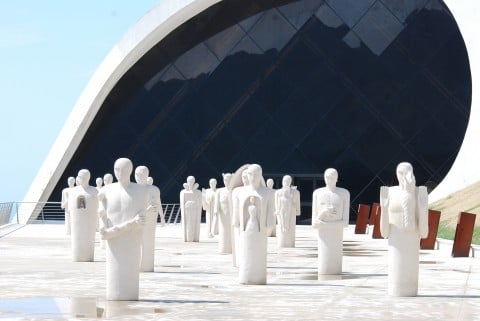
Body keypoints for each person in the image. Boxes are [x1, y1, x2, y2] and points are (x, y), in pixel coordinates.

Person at [98, 158, 148, 300]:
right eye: (117, 170)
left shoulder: (140, 191)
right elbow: (102, 217)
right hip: (114, 242)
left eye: (124, 170)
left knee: (129, 273)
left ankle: (128, 294)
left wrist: (131, 226)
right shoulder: (106, 190)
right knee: (114, 274)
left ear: (131, 171)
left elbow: (142, 220)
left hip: (131, 241)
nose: (120, 173)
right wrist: (104, 229)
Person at [380, 162, 428, 296]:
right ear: (396, 174)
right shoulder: (390, 192)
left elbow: (424, 233)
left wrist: (423, 208)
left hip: (411, 242)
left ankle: (409, 288)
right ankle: (397, 289)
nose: (403, 176)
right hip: (395, 241)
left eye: (406, 172)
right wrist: (383, 208)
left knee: (409, 269)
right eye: (400, 172)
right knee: (396, 269)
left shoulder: (419, 192)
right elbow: (384, 232)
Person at [233, 164, 275, 284]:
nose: (253, 177)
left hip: (260, 233)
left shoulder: (268, 193)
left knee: (257, 257)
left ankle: (257, 277)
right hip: (245, 232)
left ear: (260, 175)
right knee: (246, 255)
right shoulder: (238, 192)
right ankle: (246, 276)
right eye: (250, 174)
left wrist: (268, 229)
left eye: (256, 174)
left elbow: (270, 216)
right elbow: (236, 220)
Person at [312, 168, 350, 276]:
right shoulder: (317, 193)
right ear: (324, 178)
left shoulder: (344, 193)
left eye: (332, 177)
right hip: (323, 236)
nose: (329, 180)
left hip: (336, 236)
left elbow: (345, 222)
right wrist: (323, 213)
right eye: (327, 177)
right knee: (324, 263)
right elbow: (314, 223)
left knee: (334, 258)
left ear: (337, 178)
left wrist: (325, 225)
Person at [135, 166, 161, 272]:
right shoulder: (133, 189)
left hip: (150, 222)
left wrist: (162, 217)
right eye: (137, 175)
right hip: (136, 221)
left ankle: (146, 265)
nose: (139, 177)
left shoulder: (154, 189)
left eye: (142, 175)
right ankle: (138, 265)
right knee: (137, 243)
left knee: (148, 243)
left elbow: (157, 204)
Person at [68, 169, 98, 262]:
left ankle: (87, 257)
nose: (80, 178)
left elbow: (97, 205)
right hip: (77, 221)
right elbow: (70, 207)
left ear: (87, 177)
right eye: (79, 176)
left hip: (89, 221)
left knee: (87, 239)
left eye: (82, 177)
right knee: (77, 240)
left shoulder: (94, 191)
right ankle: (77, 256)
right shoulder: (73, 191)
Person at [275, 175, 300, 247]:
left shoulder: (296, 192)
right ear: (282, 182)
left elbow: (297, 203)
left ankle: (289, 243)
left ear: (290, 182)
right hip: (281, 212)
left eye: (288, 181)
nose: (286, 183)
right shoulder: (278, 192)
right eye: (285, 181)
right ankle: (282, 243)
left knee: (290, 228)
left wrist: (298, 210)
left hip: (291, 212)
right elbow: (277, 203)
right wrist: (277, 210)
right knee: (281, 227)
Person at [214, 173, 233, 254]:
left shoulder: (235, 191)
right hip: (223, 216)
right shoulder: (219, 191)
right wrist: (216, 211)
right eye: (225, 180)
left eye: (228, 180)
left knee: (232, 232)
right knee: (223, 232)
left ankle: (232, 249)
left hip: (232, 215)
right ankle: (224, 249)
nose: (226, 182)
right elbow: (217, 203)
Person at [180, 176, 202, 242]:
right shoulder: (183, 192)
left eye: (192, 181)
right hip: (187, 211)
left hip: (195, 211)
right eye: (189, 181)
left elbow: (200, 202)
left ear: (194, 182)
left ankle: (193, 237)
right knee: (188, 225)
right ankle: (188, 238)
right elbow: (182, 202)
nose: (191, 183)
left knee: (194, 224)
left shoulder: (198, 192)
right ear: (187, 182)